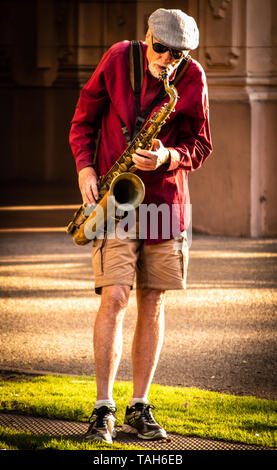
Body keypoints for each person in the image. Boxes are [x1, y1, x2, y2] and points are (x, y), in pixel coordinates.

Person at [69, 8, 212, 443]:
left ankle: (140, 405)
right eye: (162, 49)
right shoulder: (117, 58)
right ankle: (102, 408)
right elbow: (83, 121)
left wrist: (169, 156)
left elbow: (201, 142)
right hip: (117, 199)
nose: (168, 60)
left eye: (179, 54)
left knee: (152, 301)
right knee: (114, 296)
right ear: (146, 36)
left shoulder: (192, 76)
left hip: (166, 203)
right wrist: (86, 170)